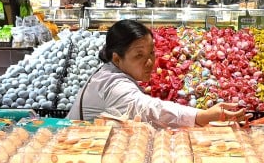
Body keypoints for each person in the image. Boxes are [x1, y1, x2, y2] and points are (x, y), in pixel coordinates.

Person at [69, 19, 245, 126]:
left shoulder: (106, 72)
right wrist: (201, 116)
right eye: (139, 55)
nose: (150, 62)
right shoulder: (115, 85)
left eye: (151, 53)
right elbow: (149, 109)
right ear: (117, 58)